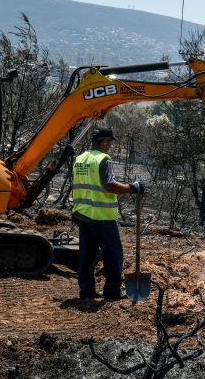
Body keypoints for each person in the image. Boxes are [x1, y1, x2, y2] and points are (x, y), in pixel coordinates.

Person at [72, 127, 144, 301]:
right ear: (104, 142)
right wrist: (132, 188)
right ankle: (112, 293)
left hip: (83, 215)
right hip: (101, 218)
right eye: (109, 142)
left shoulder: (80, 159)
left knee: (87, 256)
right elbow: (109, 186)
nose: (110, 146)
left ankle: (86, 292)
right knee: (113, 255)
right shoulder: (103, 159)